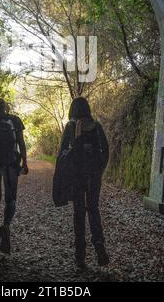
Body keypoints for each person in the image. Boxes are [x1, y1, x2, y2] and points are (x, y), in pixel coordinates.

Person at [58, 97, 109, 269]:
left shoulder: (71, 127)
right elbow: (106, 150)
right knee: (93, 208)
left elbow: (62, 153)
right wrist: (100, 169)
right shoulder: (96, 126)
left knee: (79, 212)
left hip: (77, 174)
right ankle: (99, 244)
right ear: (87, 109)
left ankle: (80, 256)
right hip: (94, 174)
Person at [0, 99, 28, 254]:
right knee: (11, 199)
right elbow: (21, 143)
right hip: (10, 163)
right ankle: (6, 226)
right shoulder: (14, 120)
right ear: (5, 108)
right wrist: (25, 163)